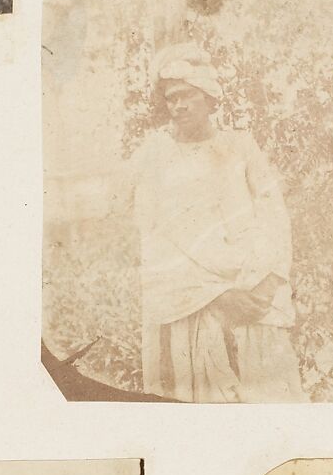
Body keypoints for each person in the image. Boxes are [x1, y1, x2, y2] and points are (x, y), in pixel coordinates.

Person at [127, 42, 306, 404]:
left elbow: (273, 215)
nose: (178, 105)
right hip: (190, 306)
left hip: (253, 295)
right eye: (171, 98)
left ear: (209, 97)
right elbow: (155, 235)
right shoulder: (154, 157)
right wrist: (218, 297)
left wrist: (267, 282)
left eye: (187, 95)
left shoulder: (241, 147)